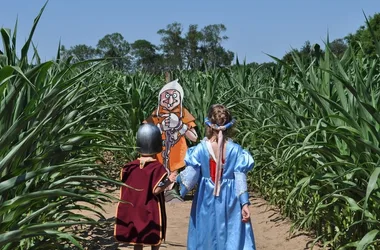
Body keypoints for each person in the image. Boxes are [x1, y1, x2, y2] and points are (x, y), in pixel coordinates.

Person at [176, 104, 256, 250]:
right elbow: (239, 178)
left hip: (206, 198)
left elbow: (190, 178)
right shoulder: (236, 150)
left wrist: (176, 183)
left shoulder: (200, 150)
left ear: (209, 125)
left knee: (207, 233)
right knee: (230, 233)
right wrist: (244, 203)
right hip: (231, 198)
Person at [114, 123, 177, 250]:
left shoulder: (129, 167)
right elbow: (156, 190)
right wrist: (170, 181)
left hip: (134, 209)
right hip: (150, 208)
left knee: (138, 238)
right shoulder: (156, 167)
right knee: (155, 235)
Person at [144, 79, 198, 200]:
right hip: (160, 154)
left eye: (174, 96)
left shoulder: (183, 113)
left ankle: (174, 191)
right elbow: (145, 131)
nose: (170, 100)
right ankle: (160, 192)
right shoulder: (157, 114)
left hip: (177, 154)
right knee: (161, 174)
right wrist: (159, 127)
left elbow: (194, 137)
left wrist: (180, 125)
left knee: (174, 173)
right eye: (166, 96)